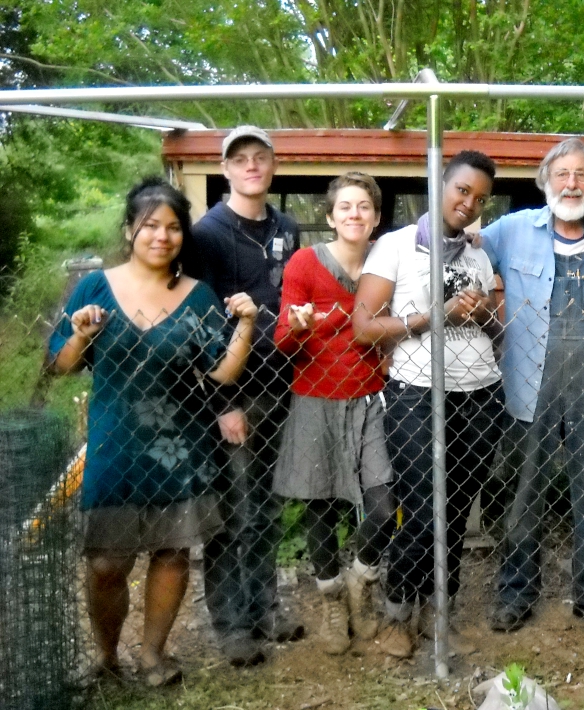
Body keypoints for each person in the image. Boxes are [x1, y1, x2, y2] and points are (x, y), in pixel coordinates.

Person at [49, 177, 258, 686]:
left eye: (172, 228)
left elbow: (223, 374)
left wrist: (246, 327)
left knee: (171, 554)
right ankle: (106, 657)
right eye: (150, 226)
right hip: (113, 446)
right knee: (105, 563)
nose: (162, 237)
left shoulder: (198, 296)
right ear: (129, 230)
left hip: (181, 449)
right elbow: (60, 366)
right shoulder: (95, 288)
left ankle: (152, 657)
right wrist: (79, 335)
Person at [480, 137, 584, 632]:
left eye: (582, 175)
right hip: (528, 384)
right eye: (562, 174)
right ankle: (516, 592)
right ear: (546, 181)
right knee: (522, 492)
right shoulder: (510, 231)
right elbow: (456, 246)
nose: (572, 184)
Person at [353, 150, 505, 658]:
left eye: (480, 198)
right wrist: (430, 317)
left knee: (458, 509)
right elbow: (363, 328)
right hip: (417, 393)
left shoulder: (480, 255)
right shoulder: (396, 246)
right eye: (462, 190)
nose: (469, 203)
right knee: (421, 508)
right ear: (441, 185)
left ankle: (440, 610)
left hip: (480, 393)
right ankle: (397, 610)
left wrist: (483, 312)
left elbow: (500, 331)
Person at [188, 126, 302, 666]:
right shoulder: (208, 234)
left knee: (269, 509)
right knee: (236, 511)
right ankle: (232, 624)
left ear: (272, 166)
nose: (252, 166)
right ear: (226, 169)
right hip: (235, 392)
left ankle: (265, 606)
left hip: (282, 386)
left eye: (261, 158)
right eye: (241, 159)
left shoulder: (286, 227)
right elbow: (201, 322)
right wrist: (221, 404)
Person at [273, 173, 396, 654]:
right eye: (345, 206)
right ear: (329, 216)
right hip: (315, 400)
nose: (354, 214)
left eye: (364, 206)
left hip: (370, 399)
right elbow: (282, 342)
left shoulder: (385, 264)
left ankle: (360, 583)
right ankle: (331, 602)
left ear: (377, 217)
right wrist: (298, 325)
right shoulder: (306, 262)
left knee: (384, 504)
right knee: (320, 506)